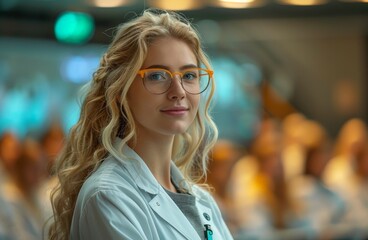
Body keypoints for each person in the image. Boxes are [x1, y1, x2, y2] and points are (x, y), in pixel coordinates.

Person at [49, 9, 233, 240]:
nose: (178, 92)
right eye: (157, 75)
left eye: (188, 75)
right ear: (119, 91)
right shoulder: (109, 196)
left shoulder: (201, 200)